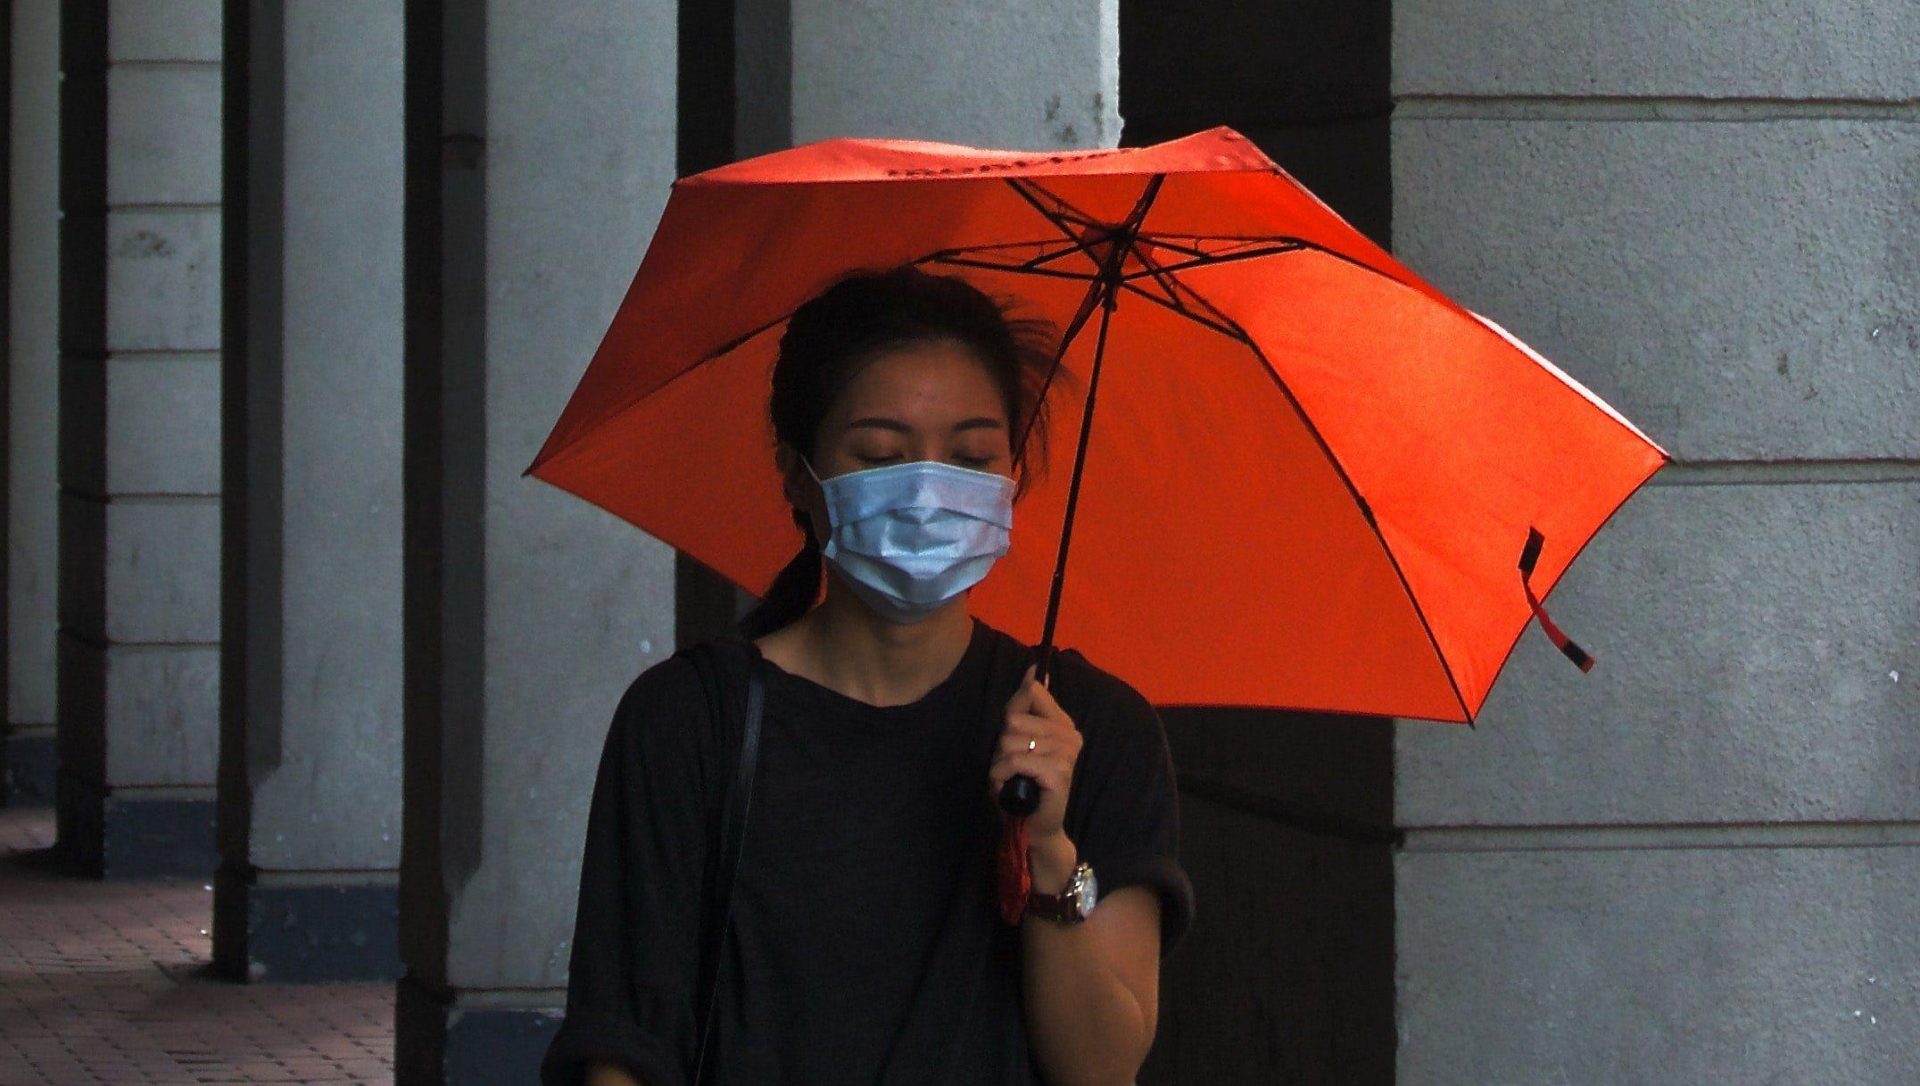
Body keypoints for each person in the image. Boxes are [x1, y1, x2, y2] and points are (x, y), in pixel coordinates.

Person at [539, 265, 1195, 1086]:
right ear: (796, 471)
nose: (925, 492)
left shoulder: (1091, 729)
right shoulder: (689, 720)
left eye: (971, 456)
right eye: (882, 454)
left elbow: (1101, 1069)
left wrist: (1050, 853)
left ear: (1011, 479)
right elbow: (625, 1043)